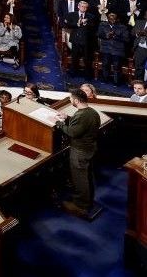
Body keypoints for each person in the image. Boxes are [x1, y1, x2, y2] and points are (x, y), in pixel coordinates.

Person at [55, 88, 101, 217]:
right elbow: (82, 126)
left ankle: (81, 206)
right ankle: (88, 201)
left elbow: (73, 132)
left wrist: (60, 123)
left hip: (80, 152)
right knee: (88, 177)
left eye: (70, 98)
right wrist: (68, 118)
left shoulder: (81, 115)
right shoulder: (92, 112)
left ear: (76, 100)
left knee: (80, 179)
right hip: (90, 149)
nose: (70, 100)